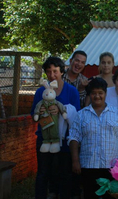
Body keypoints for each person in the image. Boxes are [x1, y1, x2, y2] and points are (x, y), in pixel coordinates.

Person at [68, 77, 118, 199]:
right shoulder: (81, 114)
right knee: (89, 195)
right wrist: (75, 161)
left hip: (112, 167)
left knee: (111, 196)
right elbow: (73, 138)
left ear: (105, 93)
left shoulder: (116, 113)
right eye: (93, 93)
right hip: (88, 165)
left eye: (100, 93)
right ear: (89, 95)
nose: (97, 96)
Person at [31, 56, 81, 199]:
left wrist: (62, 111)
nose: (52, 75)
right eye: (48, 71)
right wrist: (41, 113)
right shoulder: (41, 92)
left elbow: (76, 117)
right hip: (44, 138)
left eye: (55, 71)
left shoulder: (71, 91)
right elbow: (33, 114)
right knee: (43, 173)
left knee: (64, 173)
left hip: (65, 140)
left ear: (62, 72)